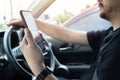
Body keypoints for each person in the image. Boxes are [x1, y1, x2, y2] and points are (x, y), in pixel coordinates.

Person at [7, 0, 120, 80]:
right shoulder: (110, 33)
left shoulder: (117, 48)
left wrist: (38, 67)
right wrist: (32, 22)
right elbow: (68, 35)